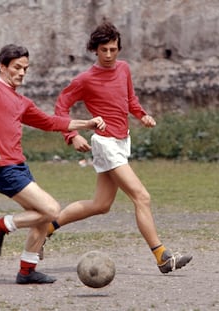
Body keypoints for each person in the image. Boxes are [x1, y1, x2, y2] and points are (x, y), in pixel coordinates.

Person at [45, 21, 192, 274]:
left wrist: (142, 115)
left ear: (118, 48)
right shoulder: (85, 79)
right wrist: (71, 135)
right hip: (104, 142)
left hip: (123, 141)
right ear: (95, 50)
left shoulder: (123, 69)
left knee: (101, 204)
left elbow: (130, 100)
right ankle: (162, 256)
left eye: (113, 49)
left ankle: (46, 227)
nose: (109, 55)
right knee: (141, 197)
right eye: (104, 50)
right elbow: (61, 107)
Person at [0, 44, 106, 284]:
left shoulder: (21, 101)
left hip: (19, 167)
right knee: (51, 210)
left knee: (42, 218)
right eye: (16, 67)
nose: (21, 73)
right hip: (2, 169)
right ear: (2, 66)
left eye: (25, 69)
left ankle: (27, 270)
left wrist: (86, 124)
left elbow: (50, 122)